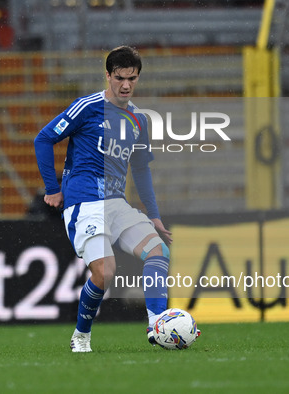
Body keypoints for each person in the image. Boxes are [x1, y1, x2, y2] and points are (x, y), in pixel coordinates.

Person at [34, 46, 172, 352]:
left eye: (132, 79)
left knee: (158, 251)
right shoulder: (87, 107)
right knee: (105, 273)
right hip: (84, 202)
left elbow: (140, 168)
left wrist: (154, 215)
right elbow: (43, 138)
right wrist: (52, 188)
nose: (125, 85)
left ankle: (157, 326)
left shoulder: (138, 120)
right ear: (108, 75)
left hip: (116, 203)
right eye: (120, 78)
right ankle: (81, 335)